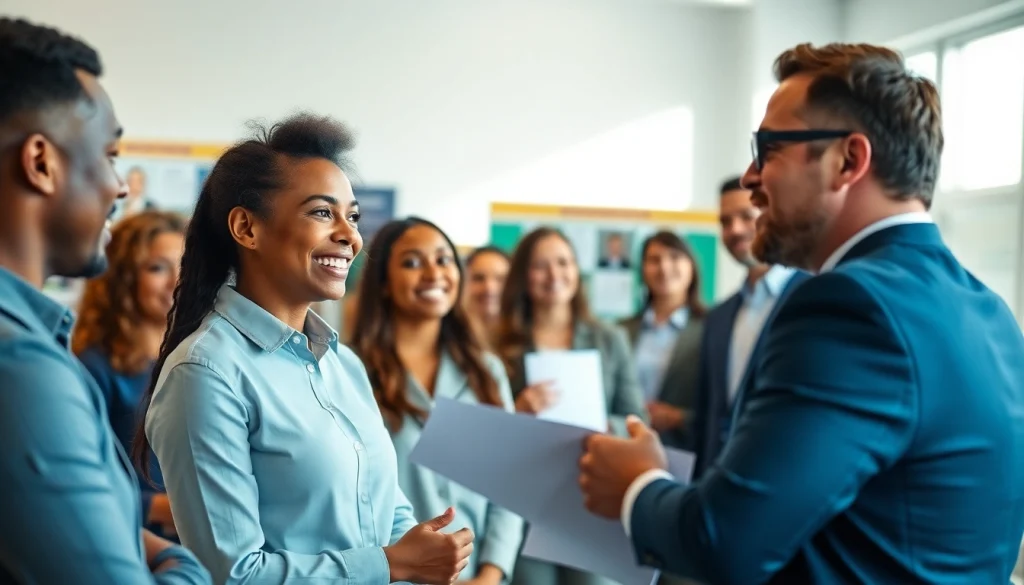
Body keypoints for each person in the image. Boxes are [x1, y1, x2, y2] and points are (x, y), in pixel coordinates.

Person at [579, 42, 1024, 585]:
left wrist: (637, 484)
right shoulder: (988, 311)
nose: (749, 178)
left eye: (768, 149)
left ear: (848, 161)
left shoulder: (850, 307)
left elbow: (724, 542)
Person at [137, 113, 474, 585]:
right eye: (322, 212)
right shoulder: (205, 373)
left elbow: (385, 508)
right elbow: (232, 575)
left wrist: (425, 551)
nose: (349, 235)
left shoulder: (342, 362)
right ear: (247, 228)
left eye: (352, 216)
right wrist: (392, 564)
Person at [0, 17, 209, 584]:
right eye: (111, 155)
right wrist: (176, 558)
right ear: (42, 163)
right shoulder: (21, 368)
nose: (121, 186)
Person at [351, 217, 524, 585]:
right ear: (383, 283)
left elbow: (509, 485)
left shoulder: (485, 371)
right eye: (412, 262)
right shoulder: (353, 372)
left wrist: (490, 575)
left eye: (444, 260)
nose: (433, 272)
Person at [495, 226, 645, 585]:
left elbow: (638, 419)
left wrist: (607, 426)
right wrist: (517, 412)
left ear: (577, 270)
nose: (554, 275)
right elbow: (487, 431)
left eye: (563, 262)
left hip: (591, 497)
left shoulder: (609, 338)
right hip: (528, 500)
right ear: (523, 277)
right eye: (540, 266)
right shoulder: (501, 344)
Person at [72, 210, 186, 539]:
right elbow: (81, 484)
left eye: (185, 264)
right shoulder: (94, 367)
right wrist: (163, 509)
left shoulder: (197, 357)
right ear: (123, 278)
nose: (176, 280)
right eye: (157, 267)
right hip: (134, 544)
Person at [689, 177, 807, 478]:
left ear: (771, 212)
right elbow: (709, 419)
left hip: (781, 483)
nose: (735, 230)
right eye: (725, 221)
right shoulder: (718, 318)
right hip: (716, 483)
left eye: (745, 216)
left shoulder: (811, 298)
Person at [619, 231, 707, 451]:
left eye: (675, 257)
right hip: (625, 445)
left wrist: (678, 417)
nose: (664, 267)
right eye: (654, 260)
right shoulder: (621, 330)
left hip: (684, 450)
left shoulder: (711, 328)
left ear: (691, 267)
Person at [463, 245, 510, 341]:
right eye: (478, 278)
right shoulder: (450, 343)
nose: (489, 288)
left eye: (500, 279)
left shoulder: (527, 340)